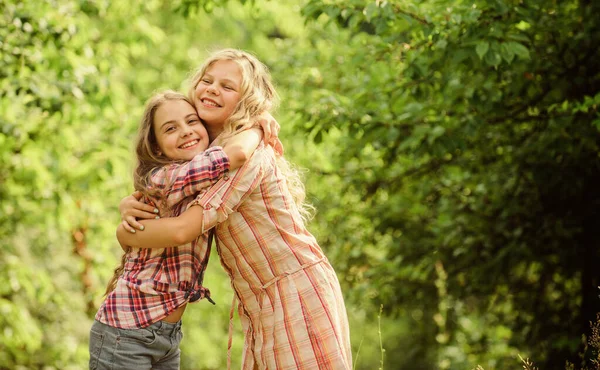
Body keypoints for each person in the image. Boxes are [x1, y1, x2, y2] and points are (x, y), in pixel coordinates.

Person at [117, 49, 352, 370]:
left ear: (246, 101)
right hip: (258, 299)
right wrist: (130, 206)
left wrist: (124, 232)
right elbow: (164, 195)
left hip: (296, 290)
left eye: (228, 87)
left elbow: (182, 229)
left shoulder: (245, 153)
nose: (213, 89)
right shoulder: (204, 154)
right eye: (207, 80)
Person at [90, 90, 270, 370]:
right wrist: (259, 125)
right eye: (171, 128)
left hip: (166, 335)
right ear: (158, 147)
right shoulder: (166, 178)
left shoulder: (200, 180)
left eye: (192, 121)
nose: (185, 132)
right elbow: (237, 153)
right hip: (127, 333)